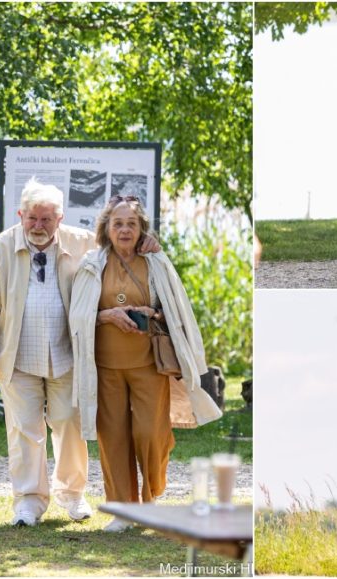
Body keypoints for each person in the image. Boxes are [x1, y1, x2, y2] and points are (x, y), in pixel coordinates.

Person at [0, 179, 159, 527]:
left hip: (68, 353)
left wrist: (147, 241)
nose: (39, 227)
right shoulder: (0, 247)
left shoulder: (83, 241)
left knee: (70, 425)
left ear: (60, 218)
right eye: (32, 219)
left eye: (46, 220)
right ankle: (28, 502)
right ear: (20, 215)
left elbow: (120, 247)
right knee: (24, 429)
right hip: (18, 354)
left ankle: (72, 495)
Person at [68, 196, 222, 532]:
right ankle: (124, 510)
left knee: (151, 433)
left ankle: (150, 495)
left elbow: (177, 310)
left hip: (149, 364)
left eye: (131, 224)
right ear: (106, 229)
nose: (124, 229)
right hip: (105, 367)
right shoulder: (92, 264)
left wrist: (154, 313)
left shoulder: (156, 262)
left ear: (142, 230)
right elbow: (77, 316)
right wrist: (105, 315)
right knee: (113, 438)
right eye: (118, 223)